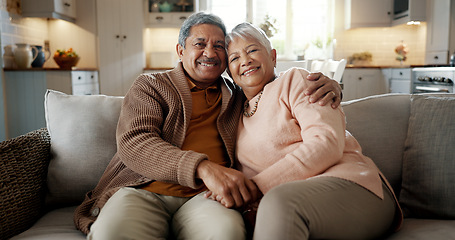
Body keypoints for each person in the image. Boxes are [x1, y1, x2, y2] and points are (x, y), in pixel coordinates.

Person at [73, 12, 342, 240]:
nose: (209, 53)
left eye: (219, 46)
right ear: (181, 51)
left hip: (207, 197)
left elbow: (274, 83)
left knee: (226, 233)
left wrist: (328, 85)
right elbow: (135, 143)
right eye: (199, 44)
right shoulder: (151, 86)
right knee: (112, 233)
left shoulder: (238, 94)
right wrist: (203, 168)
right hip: (143, 190)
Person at [221, 22, 403, 239]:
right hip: (289, 201)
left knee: (279, 202)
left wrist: (256, 189)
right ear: (229, 72)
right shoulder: (232, 109)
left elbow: (326, 143)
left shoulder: (295, 80)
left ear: (273, 56)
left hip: (353, 186)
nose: (246, 60)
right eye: (234, 58)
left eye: (252, 50)